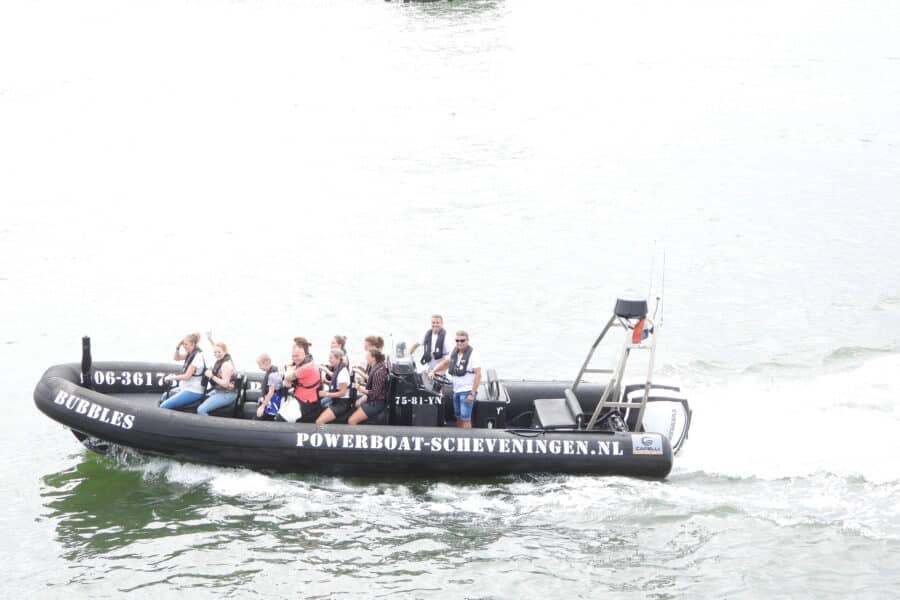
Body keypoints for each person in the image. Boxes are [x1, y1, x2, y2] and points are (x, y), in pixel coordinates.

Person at [428, 330, 482, 428]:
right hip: (456, 390)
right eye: (457, 340)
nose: (459, 343)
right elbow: (445, 363)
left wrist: (472, 393)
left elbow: (478, 375)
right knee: (458, 416)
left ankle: (467, 436)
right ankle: (459, 434)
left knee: (466, 418)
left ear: (467, 340)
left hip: (467, 391)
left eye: (462, 340)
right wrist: (433, 371)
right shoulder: (454, 353)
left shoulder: (473, 355)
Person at [160, 332, 207, 409]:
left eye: (186, 344)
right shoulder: (190, 353)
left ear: (192, 344)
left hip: (194, 390)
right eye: (183, 344)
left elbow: (187, 376)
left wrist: (172, 377)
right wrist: (178, 347)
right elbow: (176, 358)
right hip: (186, 387)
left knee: (164, 406)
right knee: (165, 396)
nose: (184, 346)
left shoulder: (197, 357)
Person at [283, 336, 321, 422]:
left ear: (304, 353)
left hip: (306, 403)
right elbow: (287, 382)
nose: (294, 359)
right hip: (301, 397)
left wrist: (289, 368)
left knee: (280, 419)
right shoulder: (306, 361)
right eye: (293, 356)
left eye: (297, 356)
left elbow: (287, 377)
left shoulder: (306, 367)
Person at [348, 348, 389, 425]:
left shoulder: (379, 372)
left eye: (367, 356)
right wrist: (361, 384)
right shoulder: (377, 368)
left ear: (373, 358)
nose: (366, 358)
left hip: (376, 403)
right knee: (353, 404)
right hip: (373, 400)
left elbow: (375, 393)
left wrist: (360, 389)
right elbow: (374, 385)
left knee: (351, 421)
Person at [196, 342, 237, 416]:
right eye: (215, 352)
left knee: (201, 410)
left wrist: (212, 376)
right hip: (220, 391)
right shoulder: (221, 360)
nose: (217, 354)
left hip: (227, 394)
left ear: (225, 352)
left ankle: (207, 423)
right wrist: (210, 339)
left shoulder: (226, 365)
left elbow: (225, 384)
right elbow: (216, 347)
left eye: (219, 352)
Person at [316, 349, 353, 424]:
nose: (329, 360)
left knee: (319, 421)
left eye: (331, 358)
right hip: (336, 400)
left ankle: (322, 431)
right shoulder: (337, 369)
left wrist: (326, 394)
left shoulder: (343, 373)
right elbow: (337, 385)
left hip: (342, 403)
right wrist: (326, 381)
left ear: (338, 358)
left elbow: (343, 393)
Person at [255, 353, 283, 420]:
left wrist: (262, 406)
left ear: (266, 363)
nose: (259, 367)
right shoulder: (272, 372)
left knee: (261, 417)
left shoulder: (272, 375)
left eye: (260, 365)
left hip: (272, 401)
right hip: (269, 399)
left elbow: (271, 392)